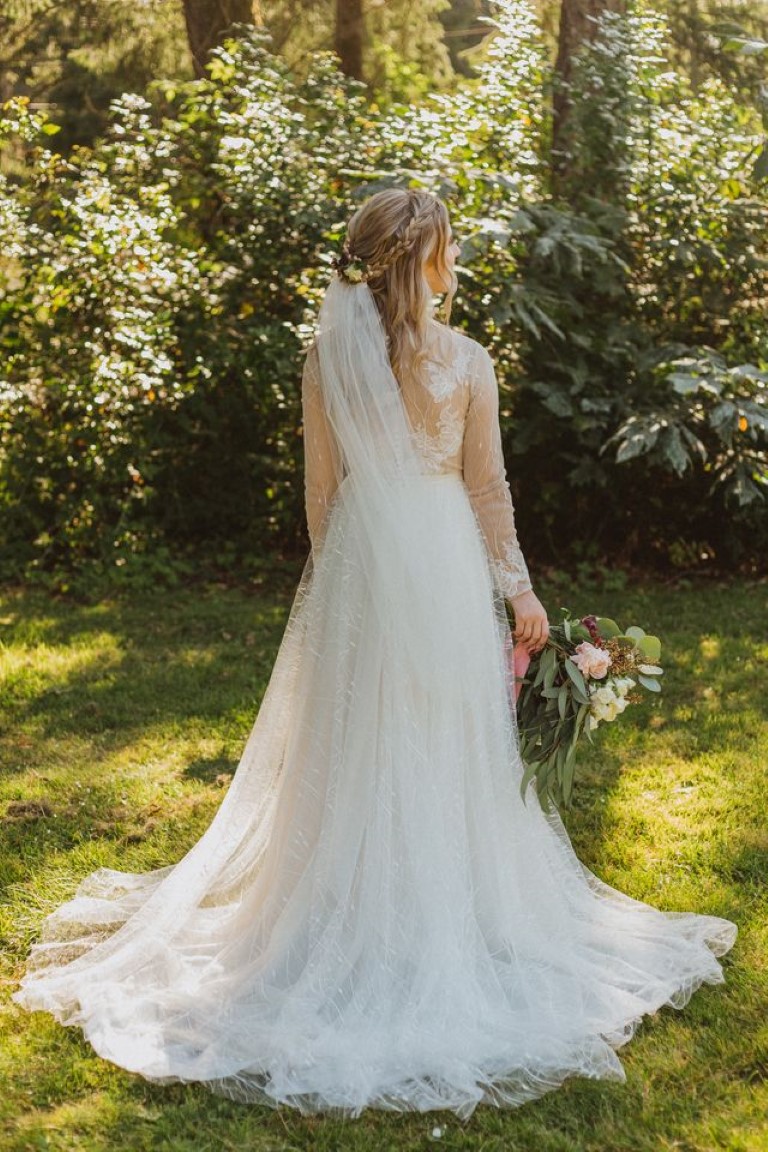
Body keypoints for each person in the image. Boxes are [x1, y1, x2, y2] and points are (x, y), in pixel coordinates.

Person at [13, 188, 736, 1120]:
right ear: (425, 260)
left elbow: (322, 499)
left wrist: (342, 592)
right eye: (448, 247)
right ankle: (421, 914)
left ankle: (360, 910)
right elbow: (488, 492)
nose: (455, 258)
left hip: (366, 563)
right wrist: (518, 590)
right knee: (428, 727)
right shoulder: (464, 362)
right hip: (433, 562)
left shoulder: (331, 358)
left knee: (362, 728)